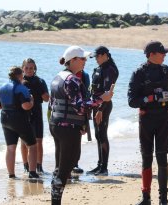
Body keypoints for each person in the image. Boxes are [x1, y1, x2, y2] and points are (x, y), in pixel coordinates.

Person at [48, 45, 114, 205]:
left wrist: (82, 123)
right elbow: (81, 107)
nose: (85, 61)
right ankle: (55, 201)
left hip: (56, 125)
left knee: (61, 166)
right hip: (67, 128)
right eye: (83, 58)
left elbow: (51, 105)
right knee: (67, 167)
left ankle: (55, 195)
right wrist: (102, 99)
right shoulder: (72, 80)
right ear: (73, 60)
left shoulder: (58, 76)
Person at [128, 41, 168, 205]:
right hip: (147, 119)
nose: (165, 55)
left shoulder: (166, 70)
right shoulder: (139, 73)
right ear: (151, 54)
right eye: (162, 53)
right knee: (147, 157)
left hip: (163, 118)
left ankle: (164, 199)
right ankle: (146, 198)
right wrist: (150, 98)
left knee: (162, 157)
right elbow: (131, 101)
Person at [0, 66, 39, 179]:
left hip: (5, 119)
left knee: (10, 147)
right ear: (20, 76)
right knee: (32, 145)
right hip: (19, 119)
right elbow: (26, 106)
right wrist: (32, 100)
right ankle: (32, 173)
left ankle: (11, 174)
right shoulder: (21, 88)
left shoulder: (2, 87)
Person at [86, 46, 118, 176]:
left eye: (98, 56)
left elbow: (108, 93)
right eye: (95, 57)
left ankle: (104, 168)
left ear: (105, 55)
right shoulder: (99, 68)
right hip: (95, 105)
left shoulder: (110, 69)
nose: (96, 59)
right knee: (98, 135)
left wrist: (100, 109)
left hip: (103, 106)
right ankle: (99, 165)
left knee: (102, 134)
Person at [20, 58, 49, 174]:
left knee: (39, 141)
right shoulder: (19, 82)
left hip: (37, 113)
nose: (29, 70)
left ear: (35, 69)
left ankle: (39, 166)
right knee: (23, 142)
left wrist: (43, 93)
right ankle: (26, 165)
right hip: (23, 114)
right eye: (26, 68)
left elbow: (47, 99)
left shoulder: (40, 81)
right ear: (22, 68)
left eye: (31, 68)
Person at [72, 70, 91, 174]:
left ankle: (75, 164)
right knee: (66, 139)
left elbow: (87, 93)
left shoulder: (85, 75)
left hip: (81, 110)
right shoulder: (66, 74)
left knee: (78, 137)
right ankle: (65, 164)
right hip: (68, 110)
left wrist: (87, 112)